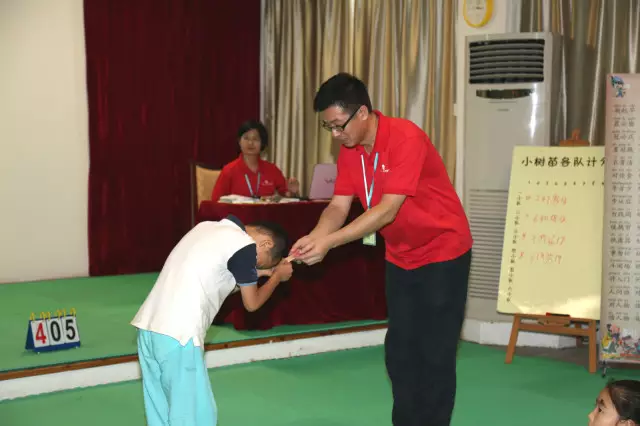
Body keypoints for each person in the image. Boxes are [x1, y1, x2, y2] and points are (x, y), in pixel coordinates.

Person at [289, 72, 473, 426]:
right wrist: (315, 236)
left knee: (435, 352)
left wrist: (330, 242)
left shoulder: (405, 137)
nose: (335, 134)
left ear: (361, 113)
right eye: (328, 127)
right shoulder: (350, 152)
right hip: (401, 256)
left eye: (338, 125)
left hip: (444, 252)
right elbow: (338, 207)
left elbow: (388, 209)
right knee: (399, 352)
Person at [131, 215, 293, 425]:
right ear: (266, 243)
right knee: (193, 414)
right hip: (179, 335)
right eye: (258, 261)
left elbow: (214, 282)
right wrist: (277, 278)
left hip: (148, 329)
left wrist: (260, 274)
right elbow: (252, 304)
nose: (255, 264)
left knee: (160, 411)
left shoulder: (206, 227)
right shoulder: (244, 245)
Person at [211, 120, 300, 201]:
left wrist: (292, 192)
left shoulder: (272, 169)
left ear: (262, 143)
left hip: (266, 216)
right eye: (246, 138)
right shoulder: (229, 170)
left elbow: (286, 196)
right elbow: (216, 202)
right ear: (239, 141)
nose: (250, 143)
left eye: (255, 139)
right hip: (237, 217)